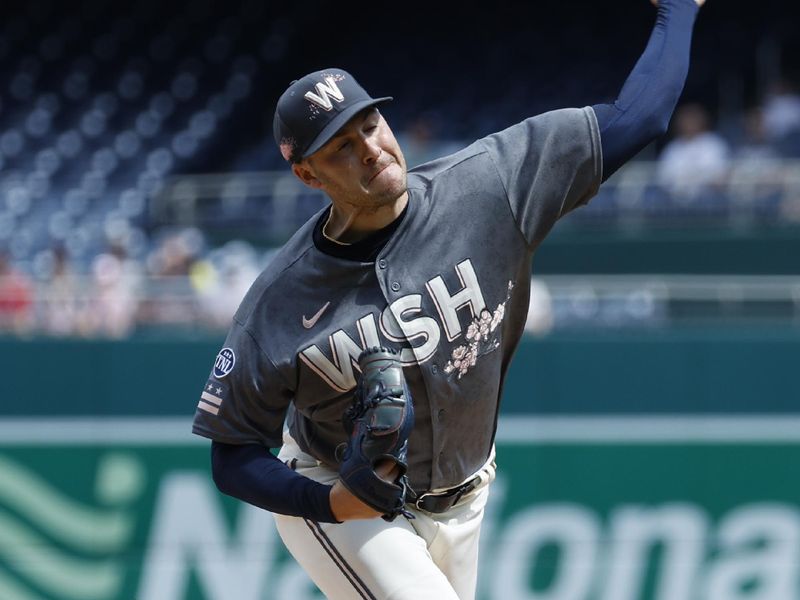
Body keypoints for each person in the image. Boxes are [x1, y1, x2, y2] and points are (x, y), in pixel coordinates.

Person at [192, 1, 706, 598]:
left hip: (466, 497)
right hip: (345, 496)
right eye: (341, 147)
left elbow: (637, 118)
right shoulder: (278, 300)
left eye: (370, 125)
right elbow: (232, 454)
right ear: (308, 175)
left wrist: (679, 9)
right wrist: (325, 502)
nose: (370, 149)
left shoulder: (489, 184)